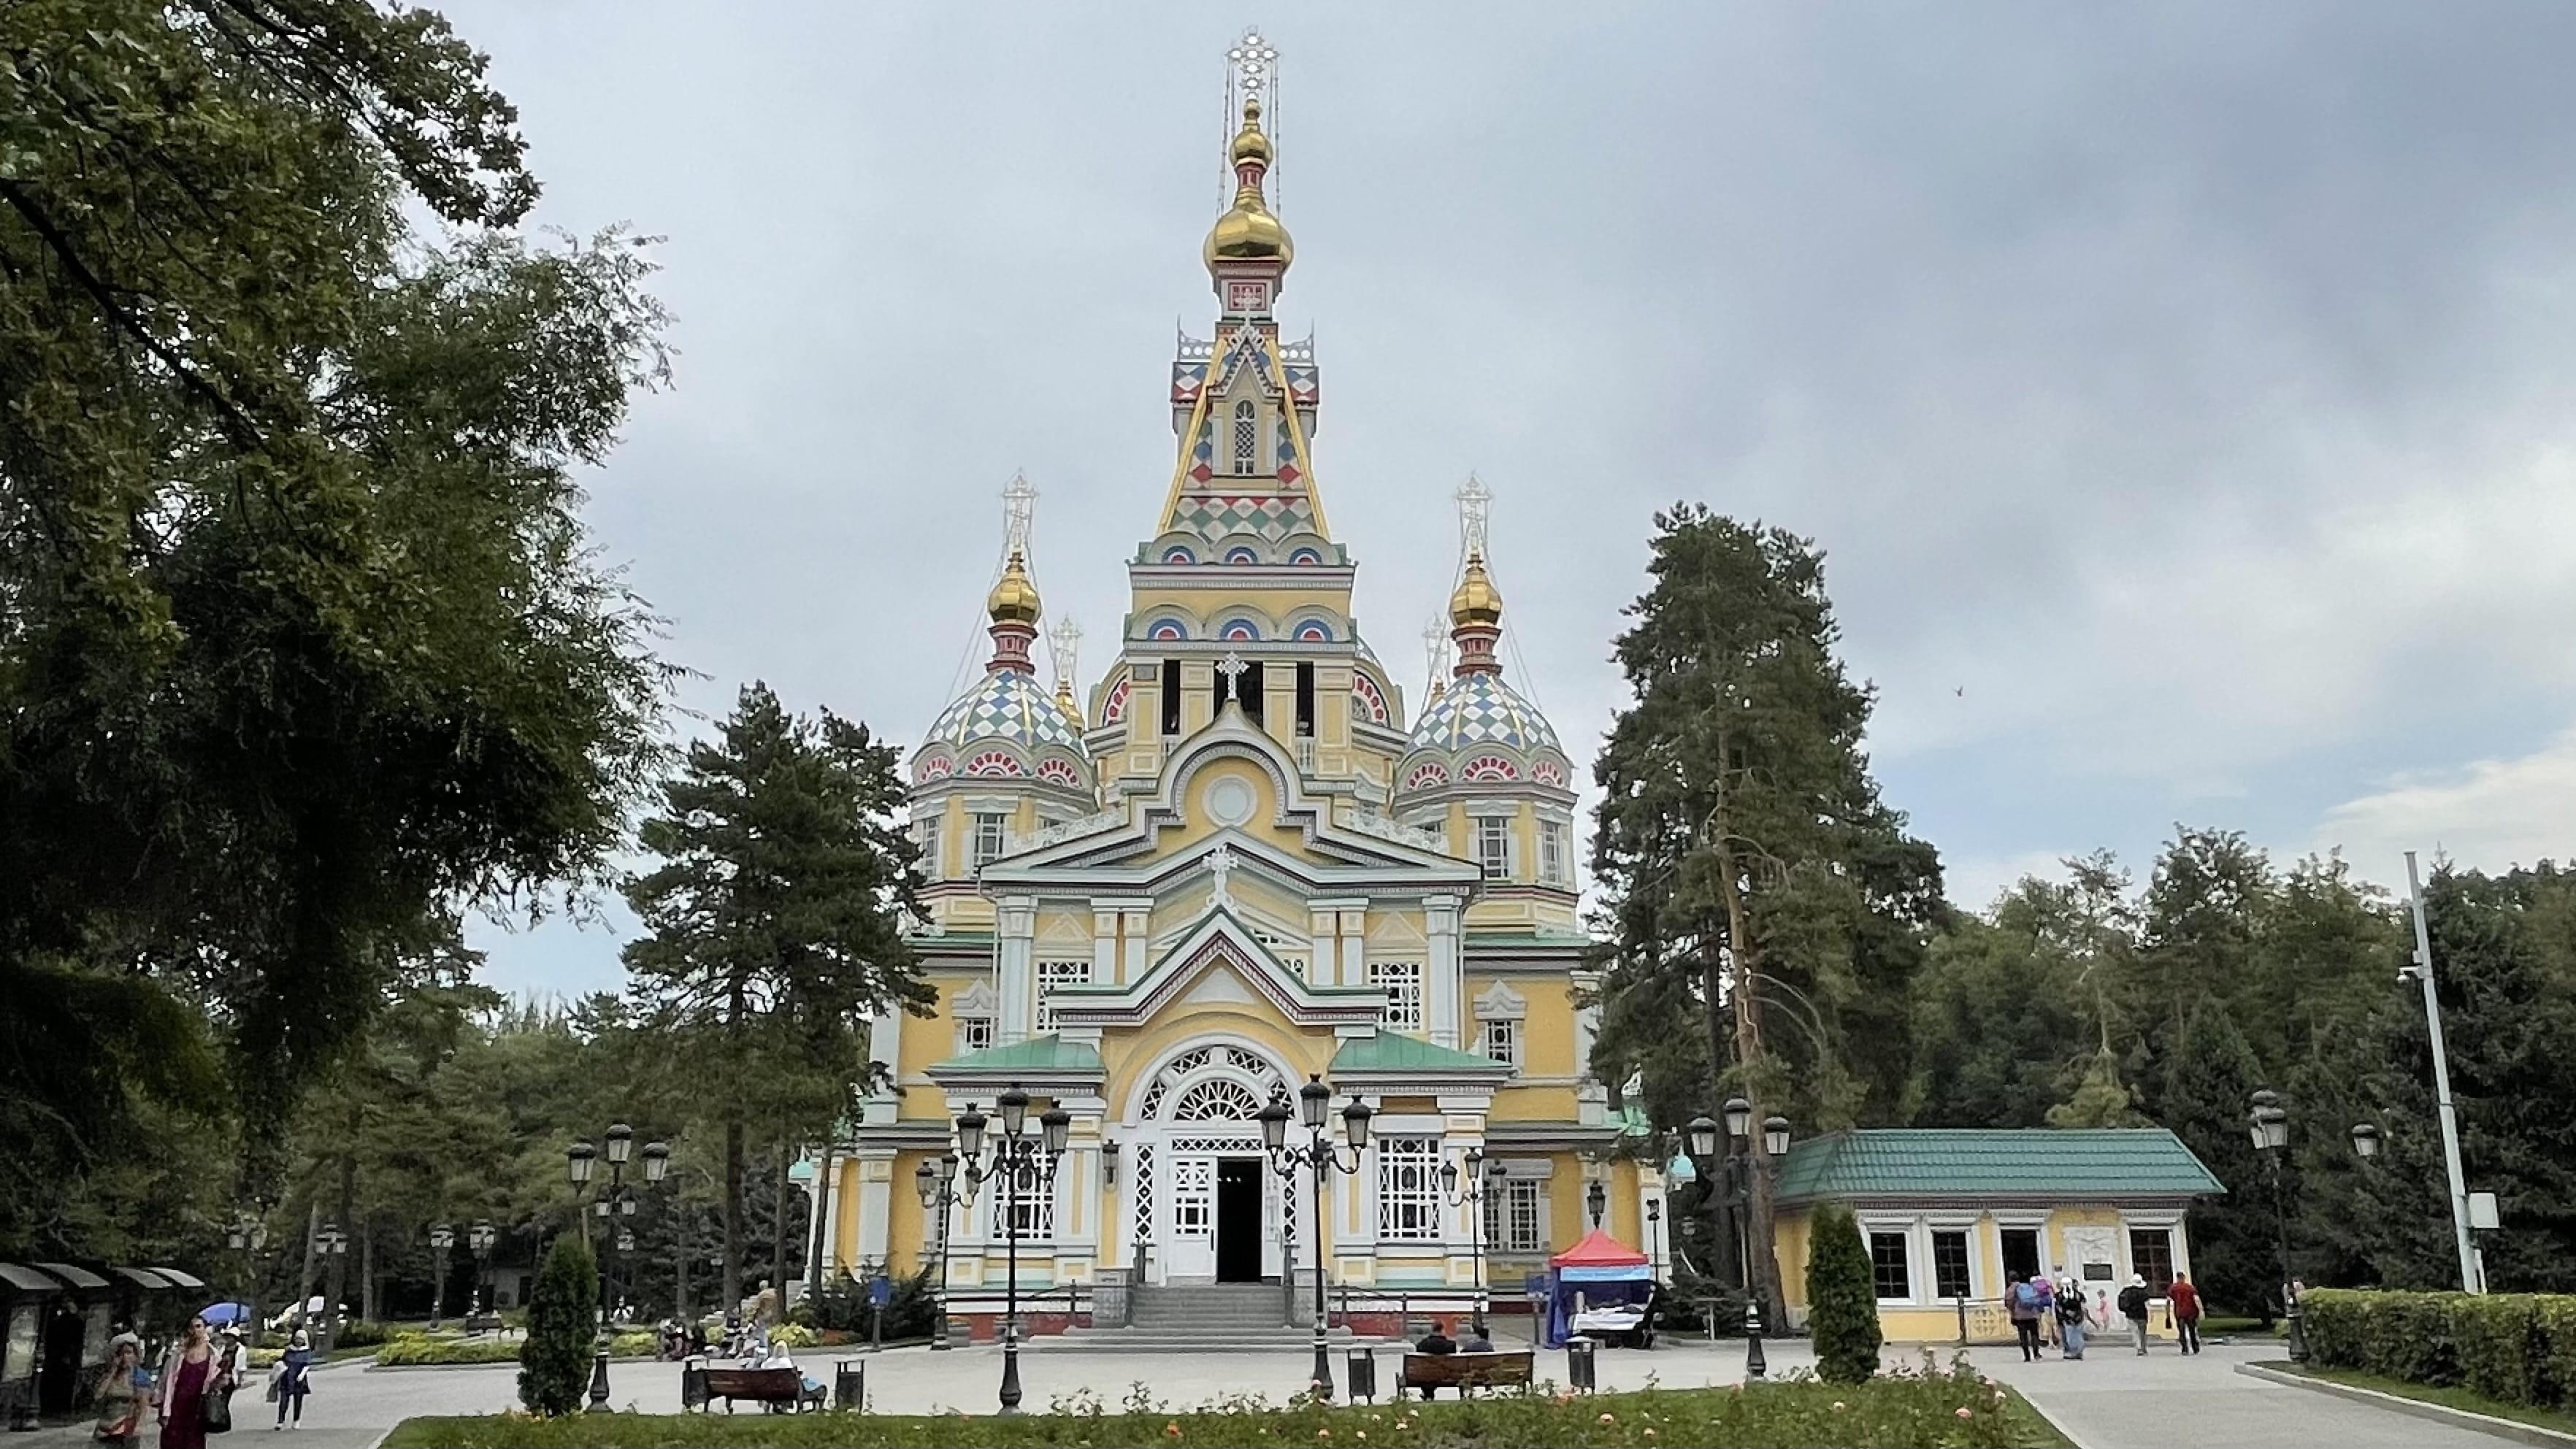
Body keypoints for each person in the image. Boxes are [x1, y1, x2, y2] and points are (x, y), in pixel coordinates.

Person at [155, 1315, 230, 1449]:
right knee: (171, 1442)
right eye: (192, 1327)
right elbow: (166, 1381)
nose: (195, 1330)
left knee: (194, 1443)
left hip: (198, 1408)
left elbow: (215, 1384)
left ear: (205, 1329)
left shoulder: (214, 1355)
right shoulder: (178, 1354)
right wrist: (163, 1409)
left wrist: (222, 1378)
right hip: (177, 1406)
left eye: (198, 1326)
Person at [94, 1337, 149, 1446]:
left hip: (126, 1426)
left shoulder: (139, 1375)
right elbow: (98, 1396)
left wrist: (139, 1426)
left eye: (128, 1353)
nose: (124, 1357)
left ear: (135, 1355)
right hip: (105, 1426)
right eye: (121, 1354)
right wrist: (113, 1371)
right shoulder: (110, 1376)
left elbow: (143, 1404)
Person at [272, 1329, 316, 1429]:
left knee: (298, 1400)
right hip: (287, 1377)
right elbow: (282, 1360)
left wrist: (302, 1374)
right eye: (297, 1338)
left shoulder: (306, 1351)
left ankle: (296, 1420)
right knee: (283, 1400)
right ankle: (280, 1421)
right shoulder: (289, 1350)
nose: (298, 1341)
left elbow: (307, 1364)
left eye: (301, 1339)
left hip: (299, 1379)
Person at [2007, 1274, 2045, 1362]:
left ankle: (2027, 1357)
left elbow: (2009, 1302)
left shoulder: (2011, 1289)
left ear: (2009, 1279)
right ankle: (2036, 1354)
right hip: (2032, 1314)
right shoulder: (2029, 1287)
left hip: (2020, 1316)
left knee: (2023, 1336)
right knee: (2034, 1335)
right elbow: (2037, 1298)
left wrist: (2013, 1312)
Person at [2117, 1275, 2153, 1356]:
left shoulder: (2126, 1291)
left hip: (2130, 1315)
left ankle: (2139, 1348)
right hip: (2142, 1315)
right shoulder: (2144, 1293)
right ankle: (2143, 1348)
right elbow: (2148, 1305)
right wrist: (2150, 1315)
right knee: (2142, 1333)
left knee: (2135, 1332)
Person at [2168, 1273, 2203, 1355]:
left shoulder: (2173, 1288)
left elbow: (2168, 1300)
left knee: (2181, 1331)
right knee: (2192, 1330)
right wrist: (2201, 1310)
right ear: (2184, 1278)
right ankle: (2195, 1347)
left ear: (2177, 1278)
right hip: (2191, 1312)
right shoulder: (2190, 1288)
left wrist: (2168, 1313)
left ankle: (2184, 1349)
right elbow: (2196, 1299)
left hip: (2179, 1312)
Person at [2055, 1275, 2088, 1359]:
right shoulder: (2078, 1295)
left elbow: (2058, 1307)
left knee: (2071, 1336)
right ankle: (2078, 1352)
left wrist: (2065, 1313)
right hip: (2078, 1317)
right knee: (2077, 1335)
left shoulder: (2060, 1295)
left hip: (2067, 1318)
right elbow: (2083, 1304)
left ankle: (2074, 1352)